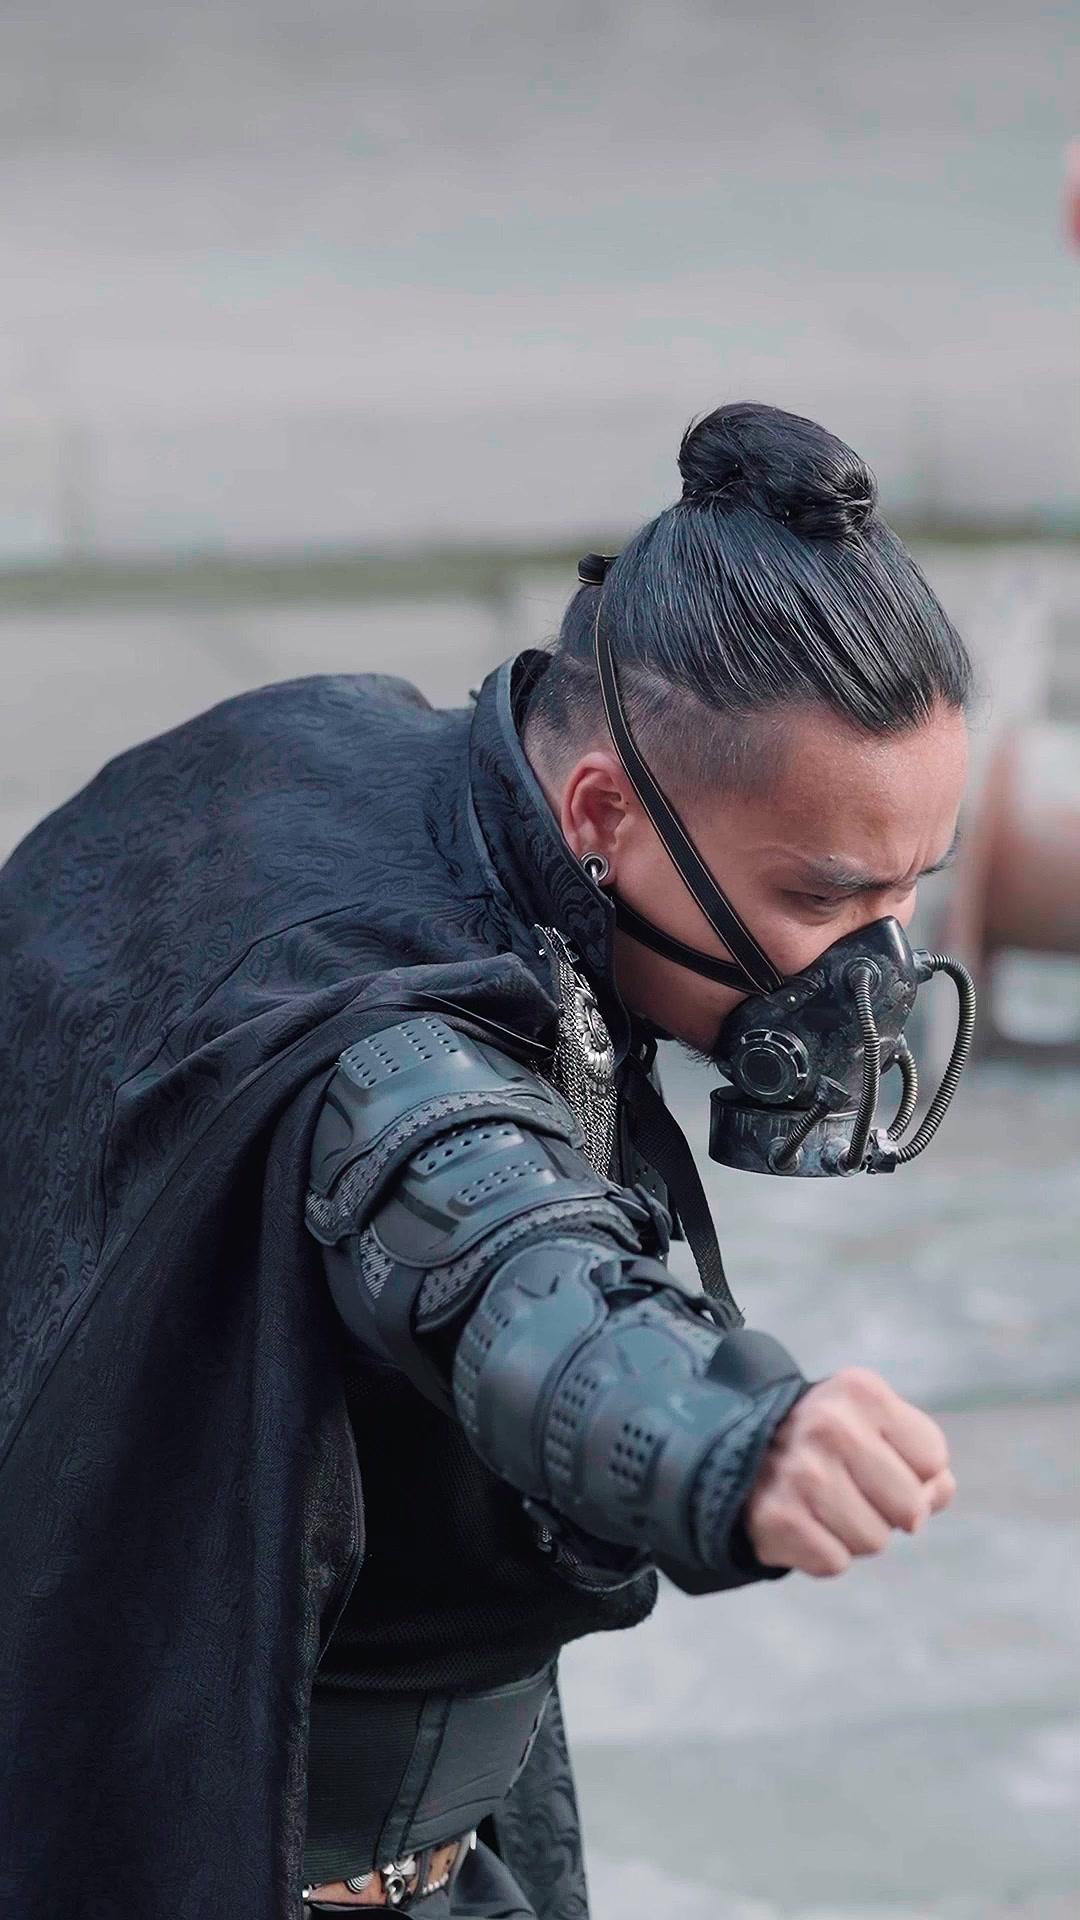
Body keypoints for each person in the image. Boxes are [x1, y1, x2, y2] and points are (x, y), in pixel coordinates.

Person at [0, 403, 970, 1919]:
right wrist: (731, 1437)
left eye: (912, 891)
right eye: (825, 898)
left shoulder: (340, 748)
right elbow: (516, 1281)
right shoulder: (393, 1048)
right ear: (601, 814)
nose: (879, 964)